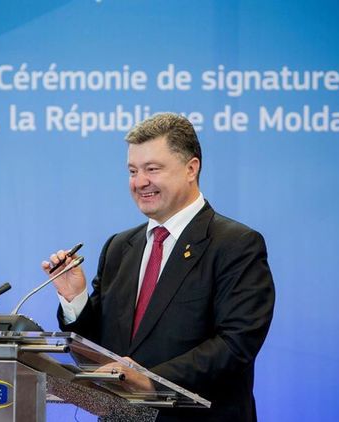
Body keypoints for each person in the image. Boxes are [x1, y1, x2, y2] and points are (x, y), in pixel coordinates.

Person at [42, 113, 275, 421]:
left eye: (152, 169)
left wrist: (150, 380)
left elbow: (236, 344)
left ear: (191, 168)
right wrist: (75, 300)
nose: (140, 182)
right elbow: (102, 353)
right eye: (133, 171)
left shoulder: (236, 244)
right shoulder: (119, 248)